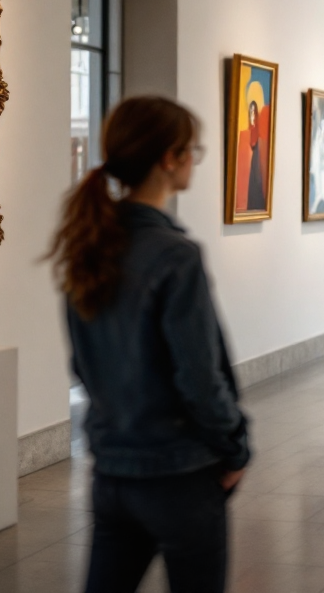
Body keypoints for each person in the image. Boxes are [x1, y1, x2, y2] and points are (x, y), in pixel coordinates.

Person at [48, 96, 250, 593]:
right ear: (169, 158)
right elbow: (200, 377)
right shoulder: (175, 256)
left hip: (113, 473)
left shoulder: (88, 246)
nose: (193, 163)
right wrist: (235, 448)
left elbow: (84, 365)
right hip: (179, 474)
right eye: (193, 152)